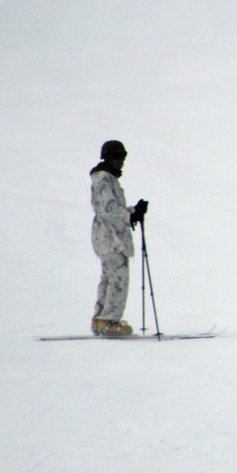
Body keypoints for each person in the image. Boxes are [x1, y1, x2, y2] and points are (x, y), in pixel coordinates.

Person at [89, 140, 148, 336]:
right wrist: (129, 216)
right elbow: (107, 209)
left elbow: (112, 209)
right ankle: (110, 320)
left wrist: (133, 211)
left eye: (123, 158)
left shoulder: (105, 179)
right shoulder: (104, 180)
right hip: (111, 237)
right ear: (107, 157)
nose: (120, 162)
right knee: (118, 279)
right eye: (117, 157)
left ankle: (101, 319)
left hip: (107, 236)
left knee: (109, 277)